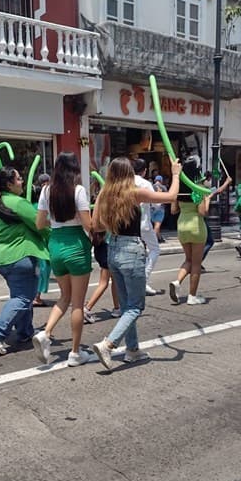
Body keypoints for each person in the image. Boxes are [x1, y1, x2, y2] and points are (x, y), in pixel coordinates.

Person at [91, 155, 181, 370]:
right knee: (135, 306)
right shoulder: (134, 193)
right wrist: (175, 173)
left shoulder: (104, 194)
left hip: (113, 248)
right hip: (132, 250)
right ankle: (109, 343)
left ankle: (132, 349)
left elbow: (96, 226)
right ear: (129, 174)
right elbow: (170, 196)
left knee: (125, 306)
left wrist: (112, 219)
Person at [33, 153, 93, 366]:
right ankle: (75, 353)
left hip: (55, 245)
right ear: (75, 169)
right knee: (78, 303)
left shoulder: (46, 191)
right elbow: (89, 225)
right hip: (76, 244)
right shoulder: (78, 191)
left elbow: (40, 223)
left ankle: (45, 333)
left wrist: (57, 224)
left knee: (64, 296)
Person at [0, 167, 50, 356]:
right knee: (23, 297)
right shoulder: (18, 203)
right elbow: (41, 225)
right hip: (21, 255)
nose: (22, 181)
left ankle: (24, 332)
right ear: (9, 184)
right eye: (19, 178)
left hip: (0, 257)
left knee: (20, 294)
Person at [169, 156, 230, 305]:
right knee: (196, 263)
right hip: (196, 226)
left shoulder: (180, 187)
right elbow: (203, 212)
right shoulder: (199, 188)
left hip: (182, 225)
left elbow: (173, 210)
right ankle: (192, 296)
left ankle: (177, 281)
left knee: (188, 260)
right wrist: (206, 198)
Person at [132, 158, 162, 296]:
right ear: (144, 171)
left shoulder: (125, 182)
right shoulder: (145, 184)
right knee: (154, 249)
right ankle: (143, 279)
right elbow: (156, 205)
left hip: (127, 225)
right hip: (143, 223)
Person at [201, 173, 233, 267]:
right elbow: (205, 211)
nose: (208, 182)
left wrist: (226, 182)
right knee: (209, 241)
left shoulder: (200, 191)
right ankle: (197, 261)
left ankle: (196, 261)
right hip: (201, 220)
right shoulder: (205, 193)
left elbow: (218, 190)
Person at [33, 173, 52, 307]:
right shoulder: (36, 205)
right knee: (42, 268)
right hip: (40, 241)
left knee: (44, 267)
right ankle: (36, 296)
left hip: (45, 240)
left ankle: (36, 295)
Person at [151, 175, 167, 243]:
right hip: (160, 208)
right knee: (157, 225)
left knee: (154, 225)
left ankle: (159, 238)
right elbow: (167, 197)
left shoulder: (151, 186)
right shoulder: (163, 187)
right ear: (161, 180)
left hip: (151, 208)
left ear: (155, 180)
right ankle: (153, 239)